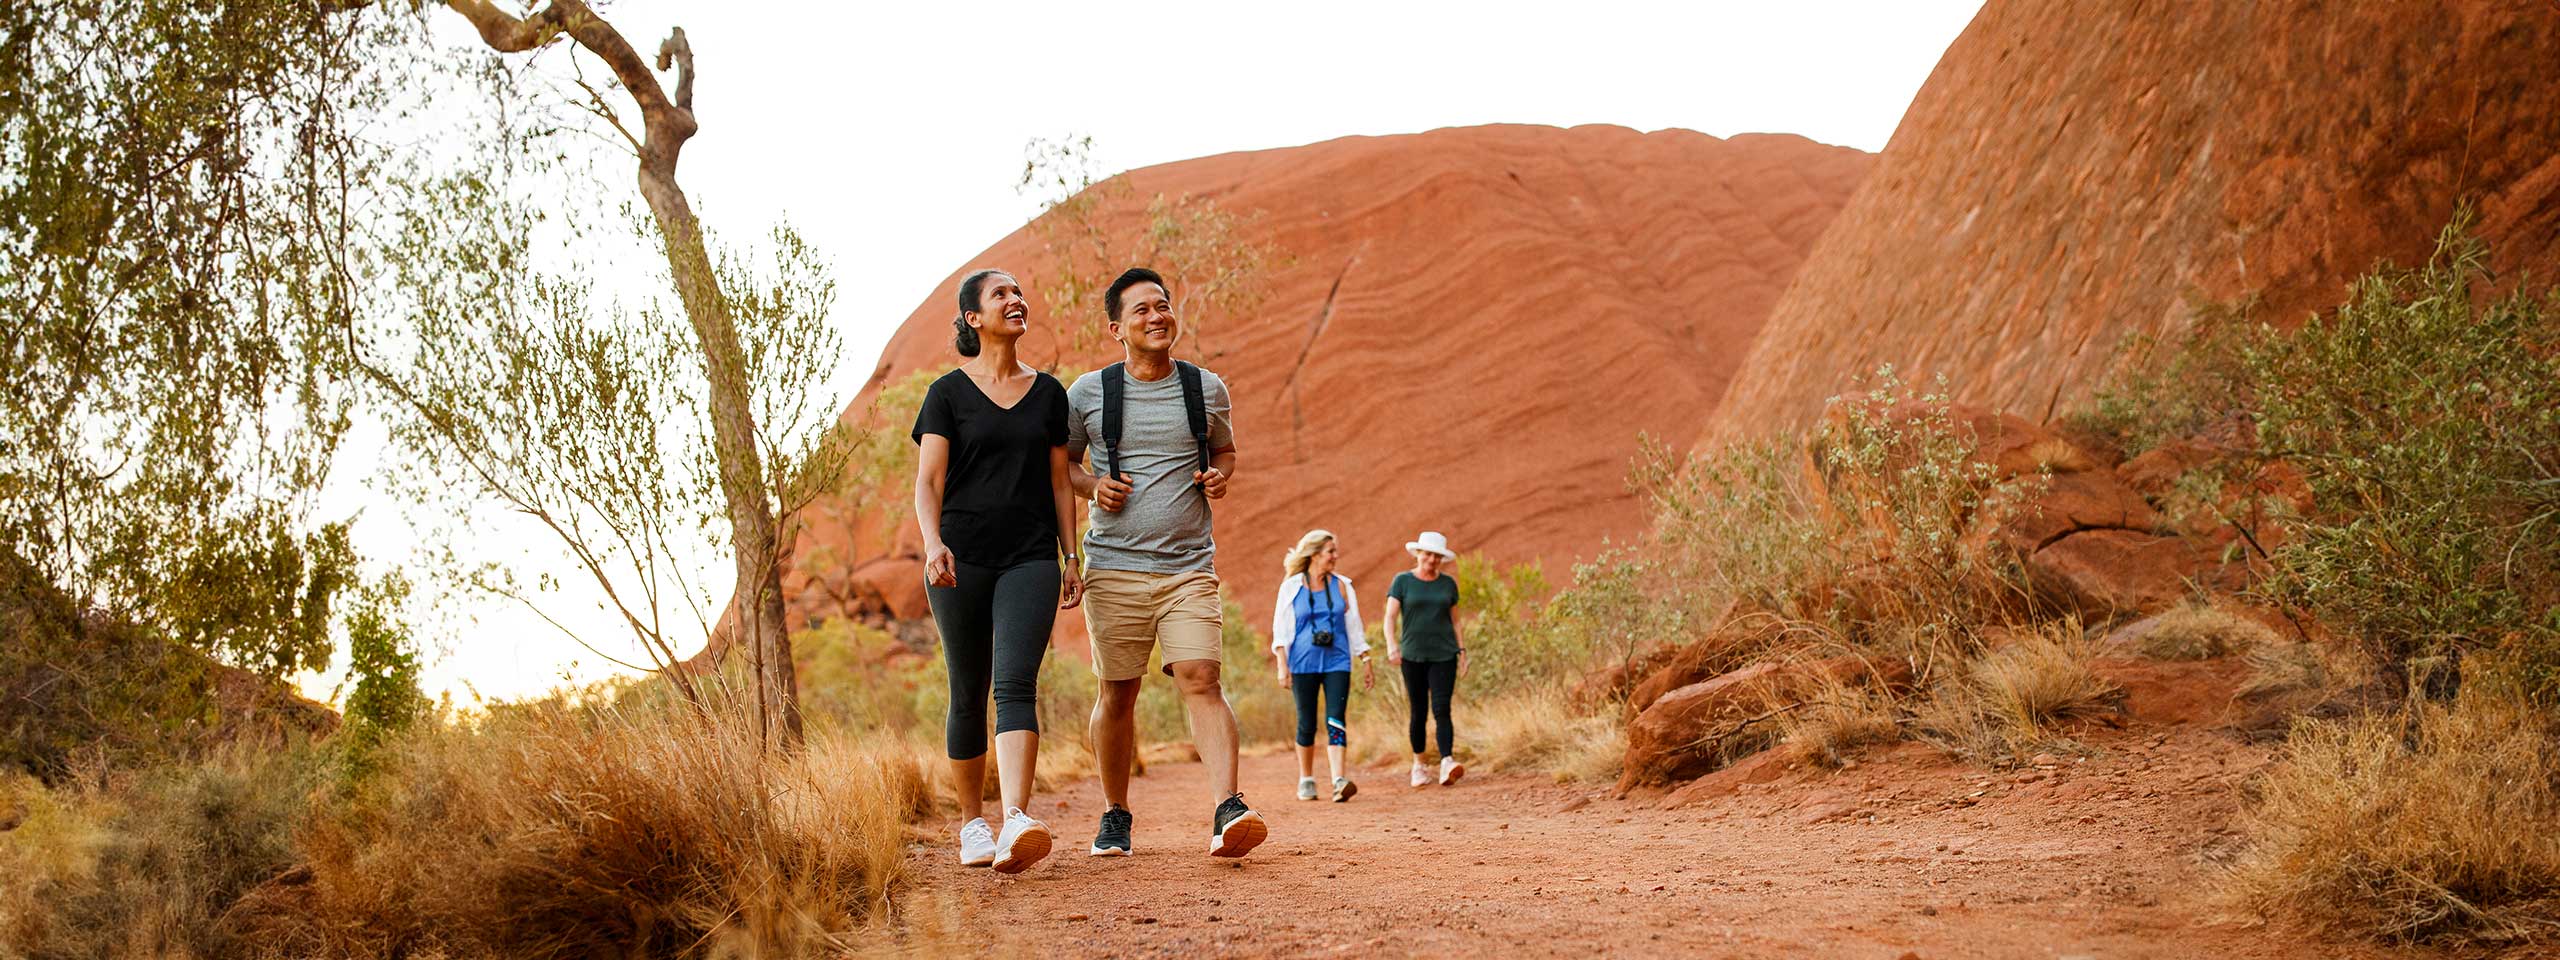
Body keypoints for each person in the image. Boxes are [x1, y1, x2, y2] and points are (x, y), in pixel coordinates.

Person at [1065, 267, 1264, 858]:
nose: (1157, 317)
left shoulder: (1206, 387)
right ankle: (1115, 814)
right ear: (1116, 329)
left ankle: (1229, 808)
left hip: (1188, 567)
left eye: (1164, 306)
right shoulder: (1089, 393)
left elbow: (1226, 452)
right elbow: (1066, 466)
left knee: (1203, 678)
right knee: (1118, 692)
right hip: (1114, 566)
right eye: (1142, 311)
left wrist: (1218, 477)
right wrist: (1093, 486)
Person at [911, 268, 1084, 874]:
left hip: (1030, 556)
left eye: (1019, 291)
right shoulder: (947, 393)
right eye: (1000, 294)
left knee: (1014, 684)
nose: (1016, 300)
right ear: (973, 318)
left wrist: (1069, 554)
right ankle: (971, 825)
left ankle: (1015, 819)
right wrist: (933, 544)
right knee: (968, 689)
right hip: (960, 557)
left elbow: (1061, 481)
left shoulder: (1049, 394)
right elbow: (929, 482)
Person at [1269, 530, 1373, 802]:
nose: (1335, 557)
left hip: (1338, 660)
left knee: (1336, 718)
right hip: (1303, 662)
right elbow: (1280, 630)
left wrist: (1365, 657)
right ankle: (1306, 778)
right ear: (1314, 554)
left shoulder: (1342, 585)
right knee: (1306, 723)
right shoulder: (1291, 586)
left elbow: (1354, 624)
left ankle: (1339, 779)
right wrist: (1282, 665)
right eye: (1331, 552)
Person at [1384, 531, 1466, 787]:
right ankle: (1418, 765)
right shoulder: (1402, 581)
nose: (1431, 559)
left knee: (1442, 709)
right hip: (1412, 655)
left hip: (1444, 654)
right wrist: (1392, 645)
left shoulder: (1448, 584)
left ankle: (1446, 763)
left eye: (1437, 556)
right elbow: (1390, 617)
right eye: (1428, 554)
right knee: (1418, 712)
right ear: (1418, 554)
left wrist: (1462, 651)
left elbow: (1456, 620)